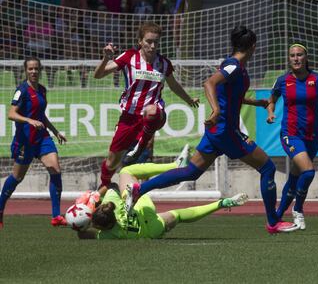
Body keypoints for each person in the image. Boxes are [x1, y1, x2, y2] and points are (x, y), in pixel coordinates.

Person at [124, 25, 298, 234]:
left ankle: (139, 189)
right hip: (225, 130)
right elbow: (209, 84)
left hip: (218, 131)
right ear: (253, 47)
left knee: (190, 172)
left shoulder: (235, 66)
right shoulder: (233, 66)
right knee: (267, 168)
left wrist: (255, 103)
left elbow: (231, 95)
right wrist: (215, 110)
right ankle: (273, 222)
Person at [93, 21, 199, 190]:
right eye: (149, 41)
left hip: (154, 113)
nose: (153, 45)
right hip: (129, 117)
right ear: (140, 41)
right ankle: (105, 184)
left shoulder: (164, 64)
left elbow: (173, 85)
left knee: (151, 111)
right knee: (112, 160)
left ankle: (143, 143)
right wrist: (106, 58)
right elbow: (98, 75)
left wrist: (188, 99)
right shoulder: (129, 57)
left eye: (156, 42)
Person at [77, 153, 248, 240]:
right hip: (142, 209)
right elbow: (111, 186)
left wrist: (77, 225)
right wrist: (94, 198)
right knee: (126, 171)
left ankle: (221, 203)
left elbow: (83, 235)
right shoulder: (110, 204)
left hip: (151, 229)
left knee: (180, 215)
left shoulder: (105, 236)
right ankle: (174, 165)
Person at [266, 43, 318, 230]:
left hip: (313, 135)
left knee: (295, 178)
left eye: (299, 55)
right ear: (289, 59)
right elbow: (271, 100)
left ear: (306, 57)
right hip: (290, 134)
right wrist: (270, 112)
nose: (296, 58)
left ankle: (275, 219)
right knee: (309, 171)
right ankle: (298, 210)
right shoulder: (282, 81)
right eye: (292, 55)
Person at [0, 57, 67, 228]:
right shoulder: (21, 90)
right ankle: (0, 209)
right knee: (17, 177)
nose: (34, 72)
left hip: (42, 137)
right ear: (25, 71)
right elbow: (11, 114)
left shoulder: (42, 90)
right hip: (25, 141)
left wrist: (55, 131)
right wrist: (29, 121)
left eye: (36, 69)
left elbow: (41, 115)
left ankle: (56, 216)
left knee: (55, 170)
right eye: (30, 69)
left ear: (40, 70)